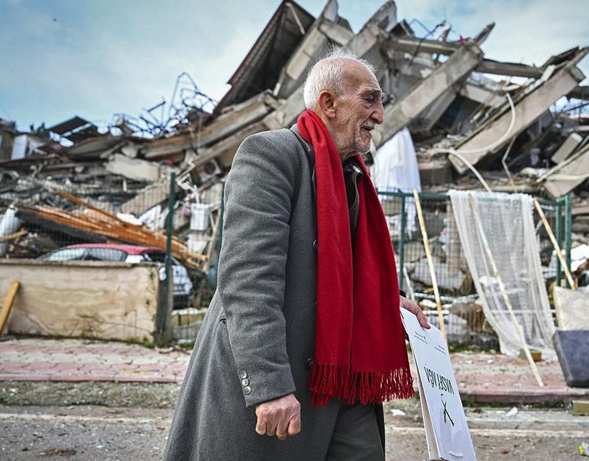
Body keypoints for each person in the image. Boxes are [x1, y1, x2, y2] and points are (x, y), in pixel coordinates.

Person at [164, 48, 429, 460]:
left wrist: (382, 301)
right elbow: (249, 278)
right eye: (370, 99)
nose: (380, 115)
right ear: (328, 103)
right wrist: (269, 385)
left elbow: (334, 270)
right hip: (285, 375)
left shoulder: (352, 176)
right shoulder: (270, 155)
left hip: (342, 376)